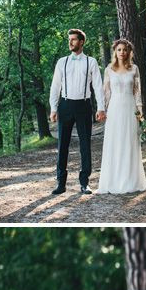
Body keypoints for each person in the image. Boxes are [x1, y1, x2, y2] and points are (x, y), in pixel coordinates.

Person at [49, 29, 105, 195]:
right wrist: (53, 108)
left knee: (85, 145)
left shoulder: (91, 62)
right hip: (65, 105)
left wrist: (101, 107)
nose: (70, 42)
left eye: (74, 39)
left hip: (84, 105)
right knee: (63, 145)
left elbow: (98, 86)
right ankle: (61, 183)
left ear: (81, 42)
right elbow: (55, 86)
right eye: (70, 39)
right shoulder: (62, 62)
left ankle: (84, 183)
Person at [97, 39, 146, 195]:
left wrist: (140, 112)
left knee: (130, 142)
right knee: (115, 143)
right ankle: (113, 180)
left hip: (130, 108)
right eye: (119, 50)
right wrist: (102, 110)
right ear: (115, 52)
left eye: (125, 50)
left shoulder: (134, 69)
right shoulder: (109, 69)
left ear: (129, 52)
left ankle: (130, 180)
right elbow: (105, 93)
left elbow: (137, 92)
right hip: (114, 109)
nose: (122, 52)